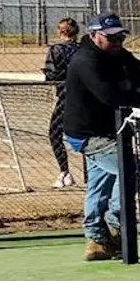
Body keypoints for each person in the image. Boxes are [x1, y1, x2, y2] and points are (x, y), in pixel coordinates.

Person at [62, 14, 140, 261]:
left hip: (108, 132)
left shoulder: (118, 55)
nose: (117, 42)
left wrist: (125, 82)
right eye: (111, 37)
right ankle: (116, 224)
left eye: (120, 37)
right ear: (94, 35)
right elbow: (110, 96)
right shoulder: (85, 60)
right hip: (88, 135)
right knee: (132, 171)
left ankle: (96, 240)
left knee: (100, 183)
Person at [42, 18, 82, 187]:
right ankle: (86, 173)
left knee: (54, 133)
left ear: (60, 32)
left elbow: (51, 74)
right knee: (86, 135)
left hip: (66, 97)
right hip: (84, 96)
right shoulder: (83, 49)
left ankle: (64, 171)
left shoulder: (56, 49)